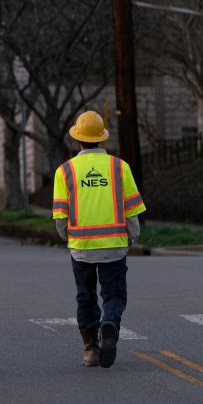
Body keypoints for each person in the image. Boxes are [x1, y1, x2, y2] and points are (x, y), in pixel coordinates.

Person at [52, 110, 146, 369]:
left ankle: (91, 350)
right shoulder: (120, 167)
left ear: (77, 139)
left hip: (81, 247)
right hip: (114, 246)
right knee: (114, 295)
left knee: (85, 296)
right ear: (102, 138)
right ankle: (111, 323)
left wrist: (69, 238)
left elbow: (61, 218)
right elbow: (132, 212)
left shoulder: (66, 170)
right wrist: (131, 238)